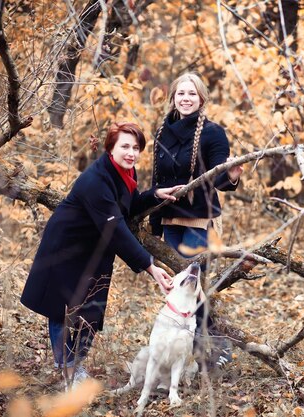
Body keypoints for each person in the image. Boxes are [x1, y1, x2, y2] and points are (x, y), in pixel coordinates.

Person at [20, 122, 180, 390]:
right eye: (125, 147)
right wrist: (150, 266)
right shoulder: (96, 179)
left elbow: (126, 208)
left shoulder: (126, 172)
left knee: (91, 309)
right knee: (62, 308)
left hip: (94, 248)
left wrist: (153, 195)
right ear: (111, 149)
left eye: (136, 148)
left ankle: (76, 364)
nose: (131, 153)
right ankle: (68, 370)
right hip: (66, 246)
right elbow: (115, 227)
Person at [150, 72, 244, 368]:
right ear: (174, 97)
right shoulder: (163, 131)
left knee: (195, 285)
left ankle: (217, 346)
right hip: (169, 220)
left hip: (199, 220)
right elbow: (157, 177)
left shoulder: (213, 133)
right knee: (181, 288)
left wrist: (230, 177)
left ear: (201, 98)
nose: (186, 98)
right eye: (181, 93)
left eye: (192, 93)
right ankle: (188, 349)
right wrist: (152, 222)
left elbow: (218, 176)